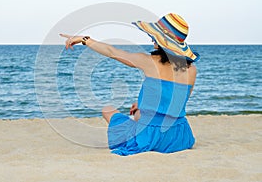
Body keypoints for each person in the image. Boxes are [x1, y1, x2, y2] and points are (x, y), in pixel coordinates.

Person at [59, 13, 200, 156]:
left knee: (108, 110)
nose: (152, 40)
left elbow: (112, 52)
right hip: (179, 135)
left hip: (151, 136)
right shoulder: (192, 70)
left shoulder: (149, 61)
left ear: (162, 41)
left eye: (154, 36)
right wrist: (141, 103)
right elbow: (176, 101)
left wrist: (85, 40)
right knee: (139, 113)